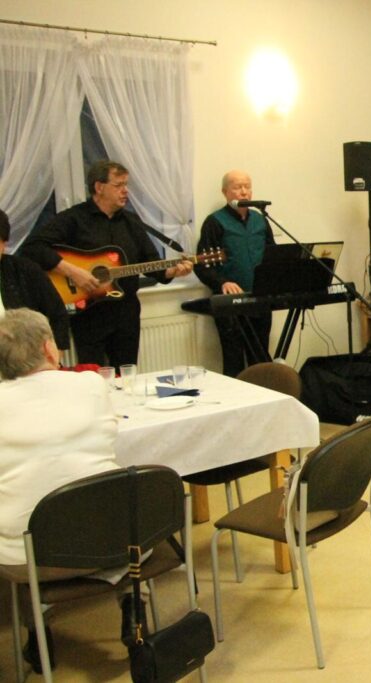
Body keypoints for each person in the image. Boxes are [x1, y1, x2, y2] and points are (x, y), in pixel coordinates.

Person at [0, 309, 120, 672]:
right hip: (109, 541)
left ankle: (36, 628)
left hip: (28, 556)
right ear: (48, 348)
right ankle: (134, 607)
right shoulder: (91, 385)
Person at [20, 160, 193, 367]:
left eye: (126, 184)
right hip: (89, 314)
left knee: (127, 375)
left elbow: (152, 264)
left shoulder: (132, 222)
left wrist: (173, 271)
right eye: (118, 185)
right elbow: (33, 248)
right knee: (93, 373)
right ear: (99, 187)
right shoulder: (74, 219)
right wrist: (73, 272)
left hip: (126, 313)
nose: (125, 191)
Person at [195, 170, 276, 377]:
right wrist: (222, 282)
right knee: (234, 361)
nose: (244, 192)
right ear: (225, 192)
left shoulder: (260, 220)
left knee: (261, 359)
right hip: (230, 304)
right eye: (237, 187)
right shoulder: (215, 222)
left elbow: (273, 255)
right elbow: (201, 265)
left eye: (247, 186)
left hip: (261, 299)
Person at [0, 209, 70, 351]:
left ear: (4, 244)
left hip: (26, 357)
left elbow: (58, 314)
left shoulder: (25, 269)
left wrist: (54, 355)